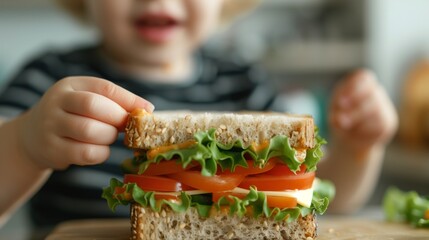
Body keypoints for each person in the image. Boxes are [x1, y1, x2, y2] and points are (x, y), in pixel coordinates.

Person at [0, 0, 397, 234]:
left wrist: (358, 148)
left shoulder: (245, 83)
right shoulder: (49, 79)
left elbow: (320, 195)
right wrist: (24, 144)